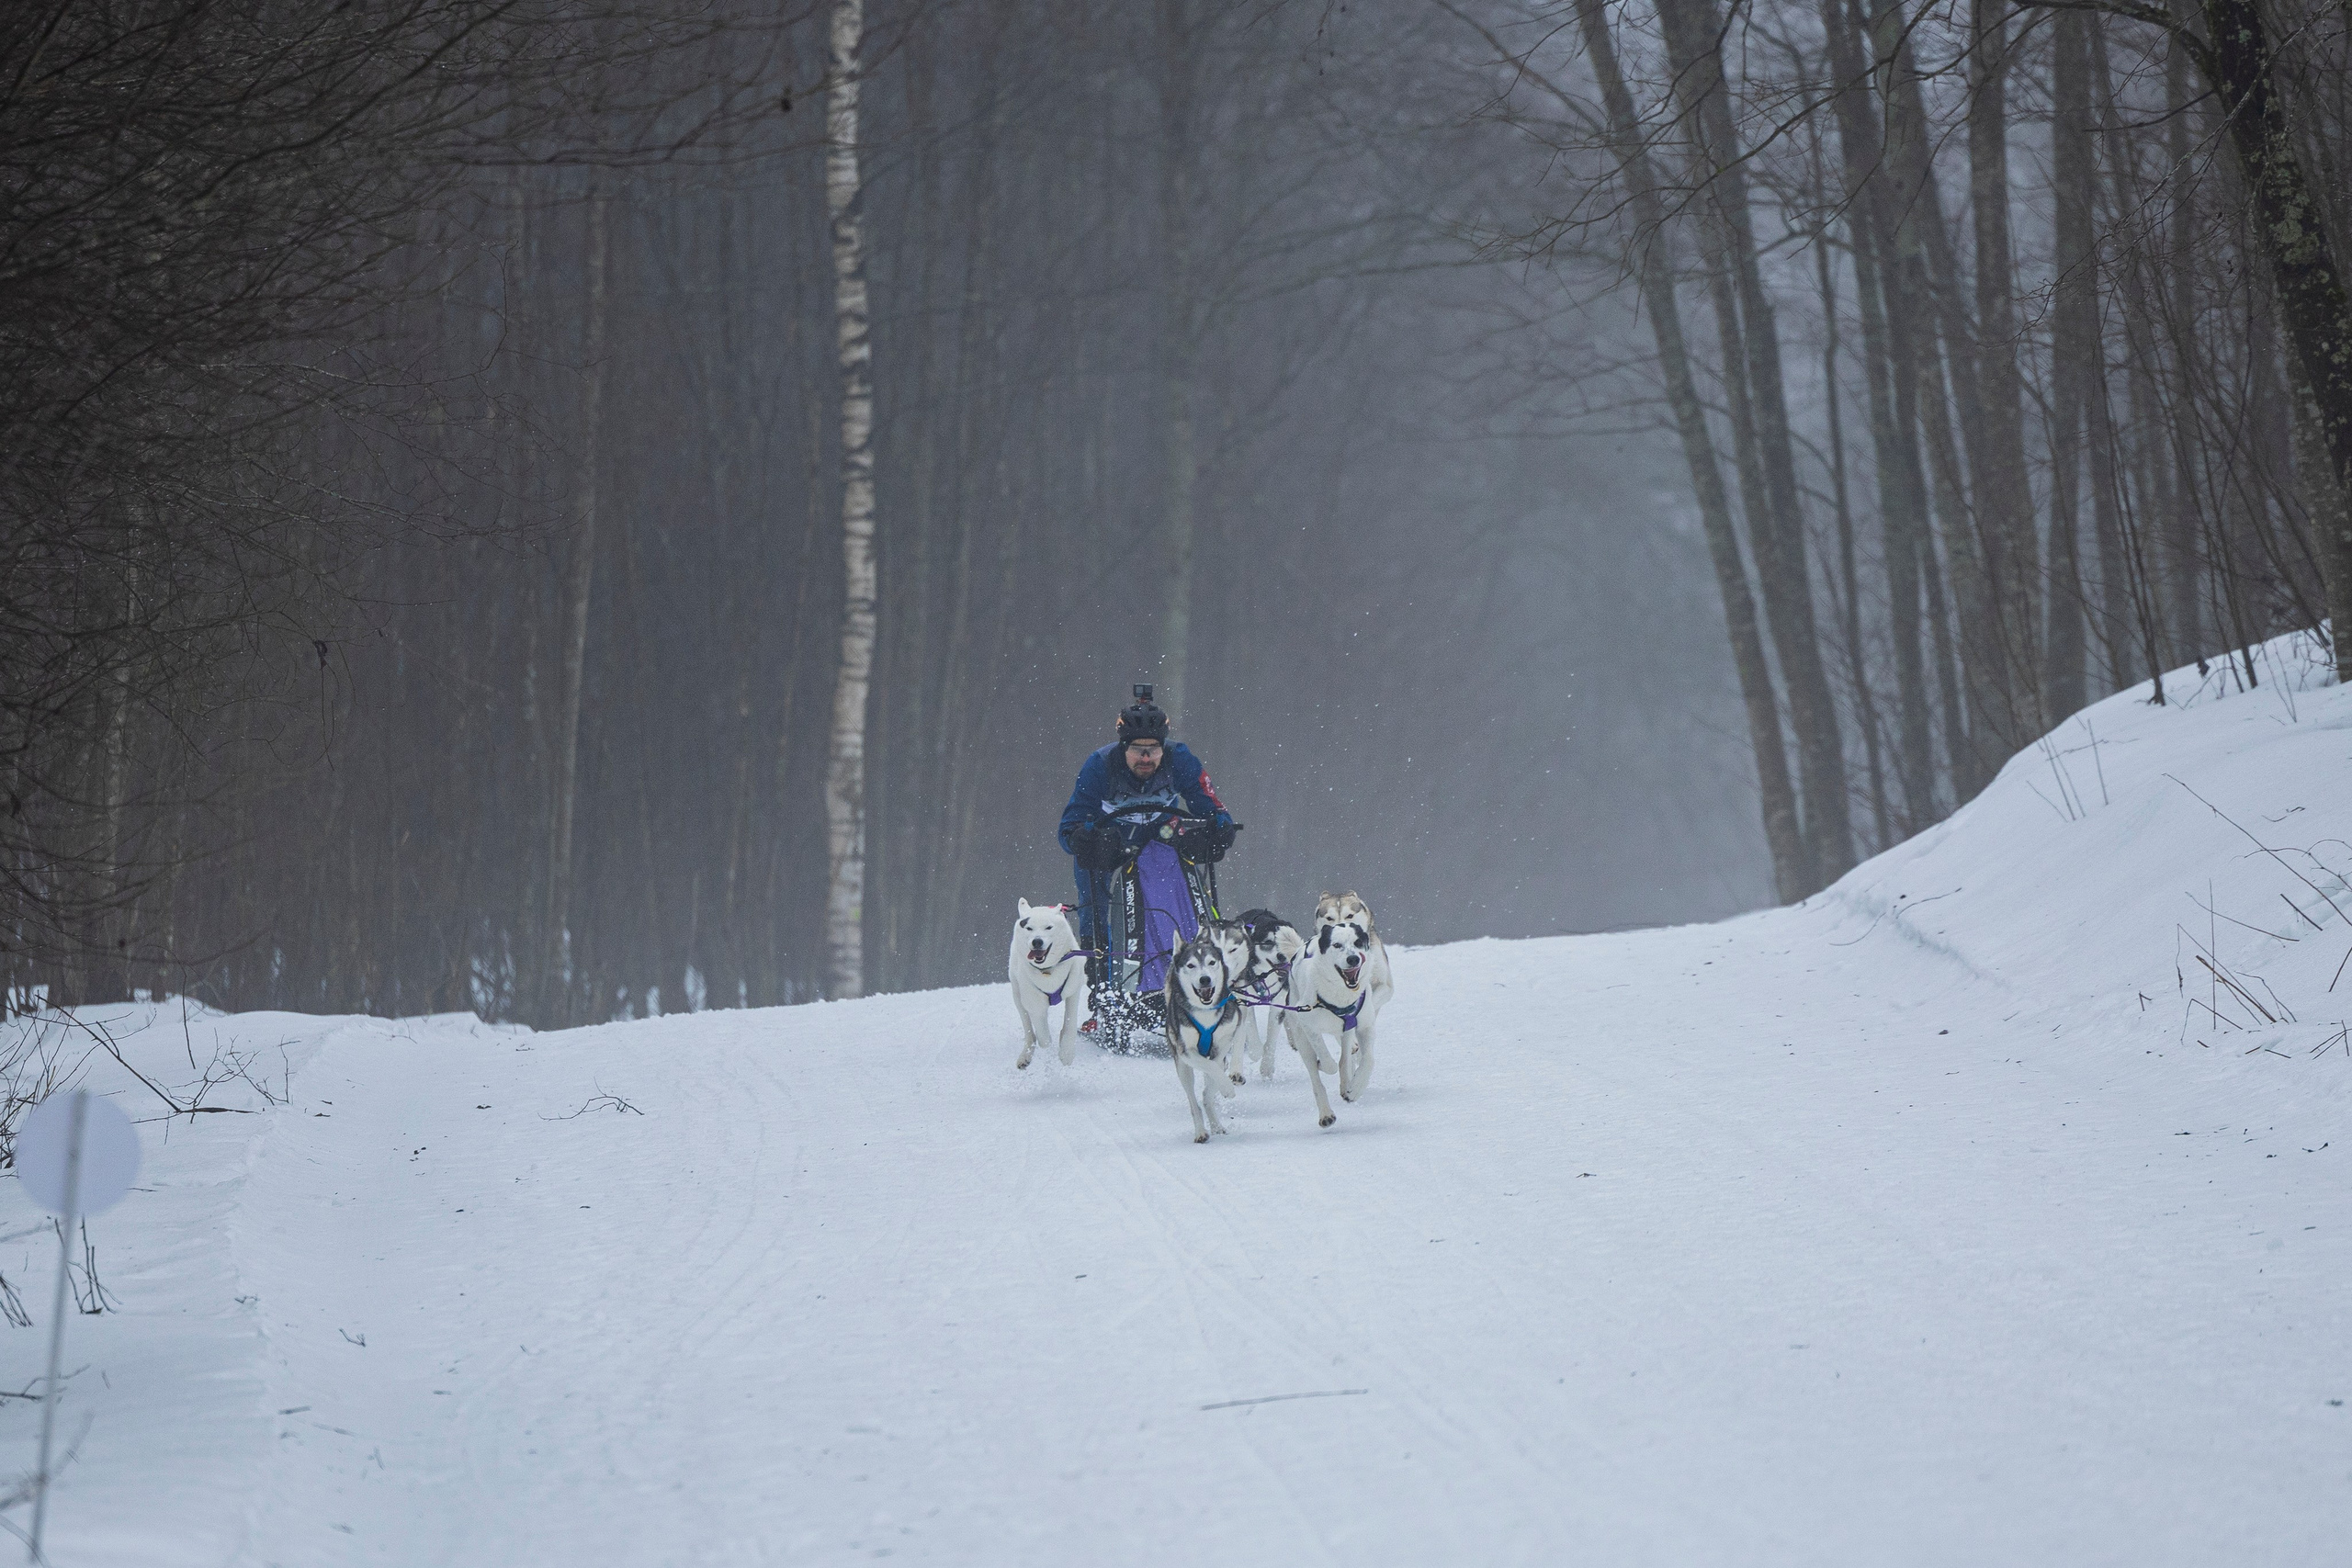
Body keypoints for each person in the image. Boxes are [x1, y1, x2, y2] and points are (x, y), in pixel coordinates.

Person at [1057, 686, 1235, 1026]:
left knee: (1174, 883)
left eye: (1153, 751)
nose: (1146, 759)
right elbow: (1069, 826)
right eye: (1138, 751)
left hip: (1159, 835)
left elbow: (1209, 803)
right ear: (1124, 748)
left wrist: (1220, 826)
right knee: (1093, 894)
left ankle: (1192, 975)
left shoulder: (1180, 758)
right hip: (1112, 841)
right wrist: (1080, 838)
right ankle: (1105, 992)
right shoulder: (1099, 765)